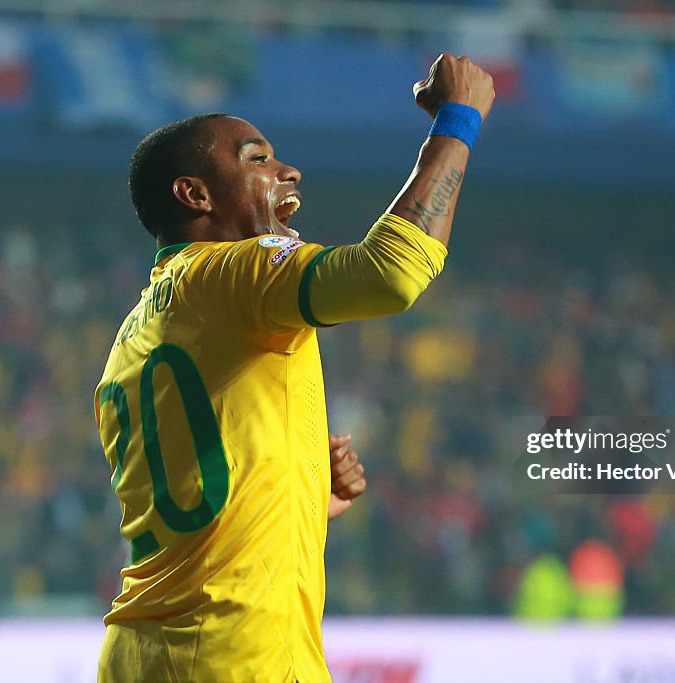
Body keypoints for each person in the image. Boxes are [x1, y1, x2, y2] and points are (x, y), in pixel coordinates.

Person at [93, 54, 494, 682]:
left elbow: (199, 502)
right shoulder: (233, 270)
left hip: (144, 656)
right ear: (195, 194)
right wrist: (459, 118)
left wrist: (304, 496)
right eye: (257, 160)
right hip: (236, 655)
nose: (287, 170)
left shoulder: (134, 336)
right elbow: (391, 274)